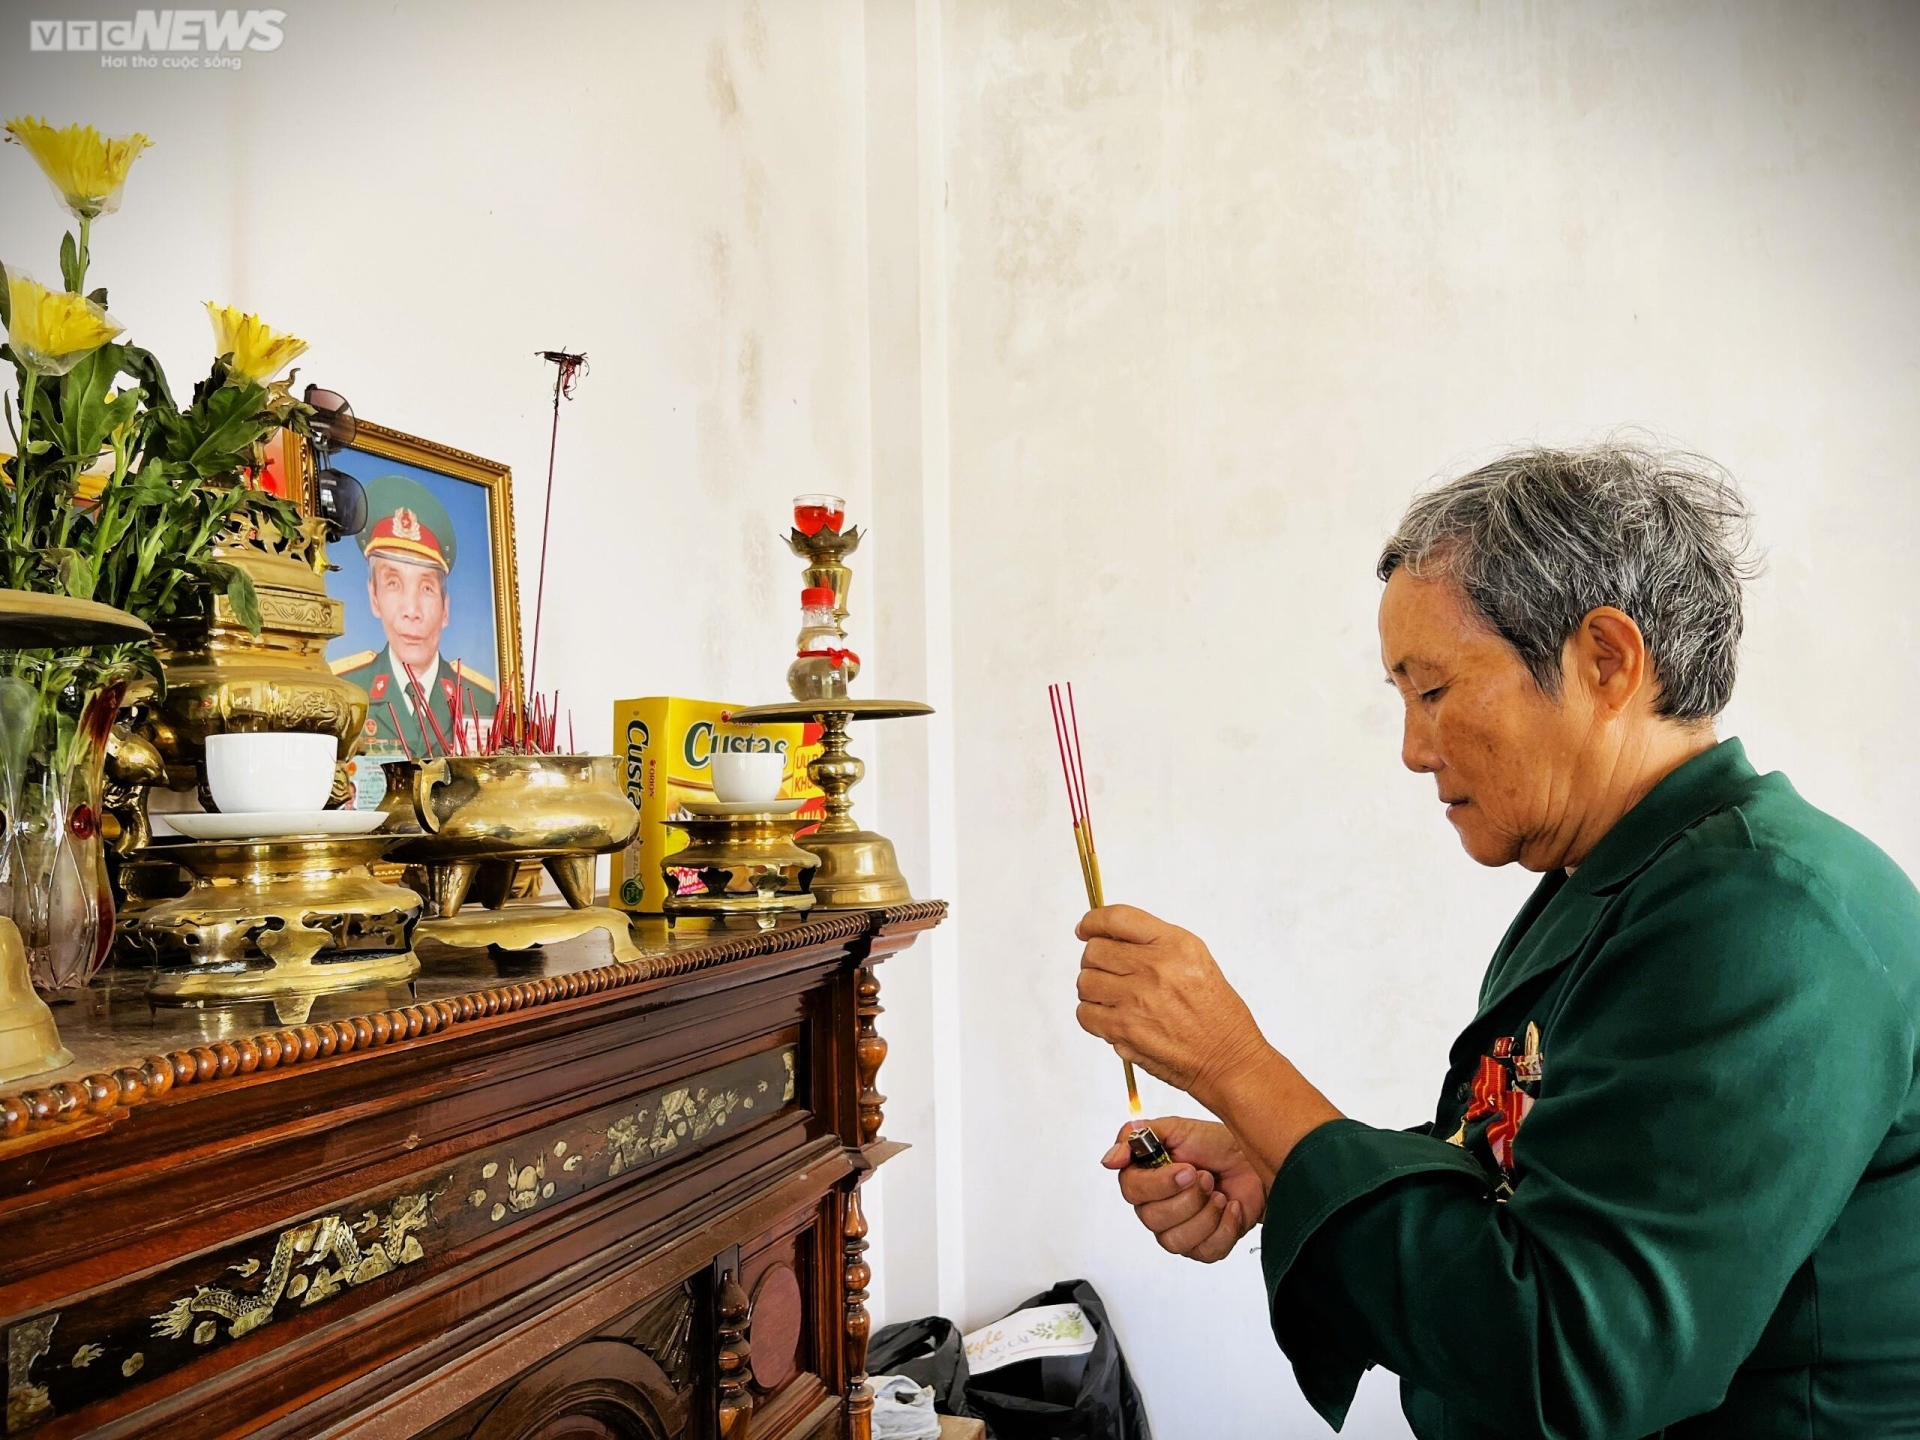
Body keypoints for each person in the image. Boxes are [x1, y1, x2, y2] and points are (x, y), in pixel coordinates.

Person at [1075, 443, 1920, 1438]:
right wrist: (1287, 1157)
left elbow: (1581, 1357)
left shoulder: (1768, 917)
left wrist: (1240, 1069)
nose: (1412, 748)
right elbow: (1542, 1171)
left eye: (1432, 690)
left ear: (1604, 660)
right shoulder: (1633, 877)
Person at [333, 474, 495, 757]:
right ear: (374, 597)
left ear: (446, 608)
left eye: (427, 587)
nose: (412, 611)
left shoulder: (479, 698)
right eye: (393, 584)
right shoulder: (345, 691)